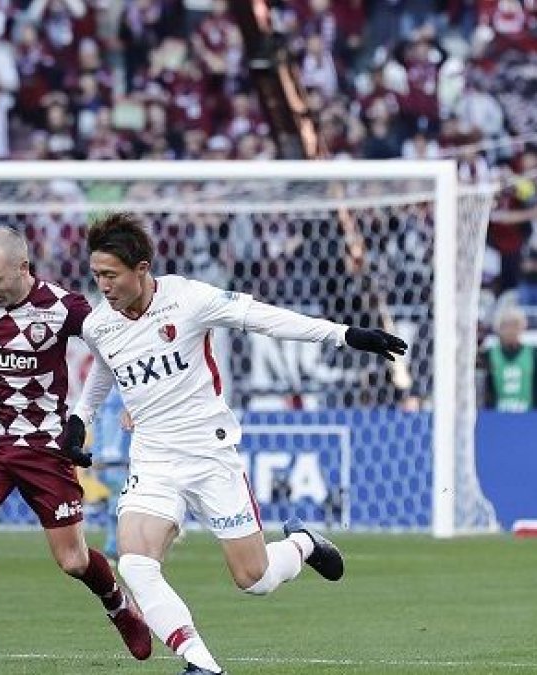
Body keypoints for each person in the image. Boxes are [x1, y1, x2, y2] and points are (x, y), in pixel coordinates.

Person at [68, 213, 408, 675]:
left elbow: (265, 319)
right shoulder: (98, 325)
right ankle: (201, 663)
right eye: (96, 276)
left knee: (255, 578)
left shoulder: (189, 299)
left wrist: (343, 335)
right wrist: (79, 417)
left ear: (142, 268)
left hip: (210, 455)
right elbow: (105, 370)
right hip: (153, 458)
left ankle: (304, 544)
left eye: (111, 275)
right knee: (135, 563)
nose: (103, 286)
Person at [0, 226, 152, 675]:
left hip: (44, 449)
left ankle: (119, 607)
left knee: (73, 561)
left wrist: (133, 401)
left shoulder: (63, 307)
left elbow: (113, 350)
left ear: (23, 269)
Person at [481, 304, 537, 411]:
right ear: (498, 329)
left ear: (522, 327)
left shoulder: (534, 352)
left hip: (530, 417)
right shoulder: (490, 354)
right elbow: (487, 391)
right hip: (497, 418)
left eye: (515, 325)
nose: (511, 330)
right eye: (506, 326)